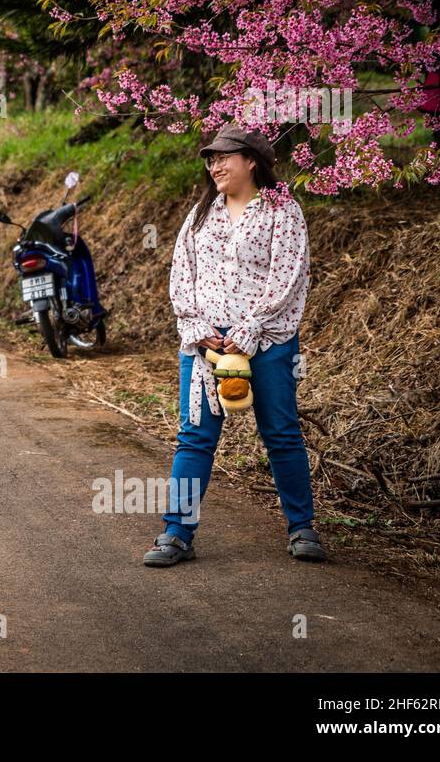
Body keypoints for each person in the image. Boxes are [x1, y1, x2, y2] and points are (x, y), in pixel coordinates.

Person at [143, 123, 326, 566]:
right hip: (205, 341)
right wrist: (195, 326)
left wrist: (246, 333)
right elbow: (180, 276)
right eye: (211, 159)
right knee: (195, 436)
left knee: (281, 433)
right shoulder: (201, 214)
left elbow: (287, 277)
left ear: (252, 161)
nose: (215, 165)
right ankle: (176, 533)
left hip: (267, 339)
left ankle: (302, 528)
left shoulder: (283, 211)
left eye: (224, 156)